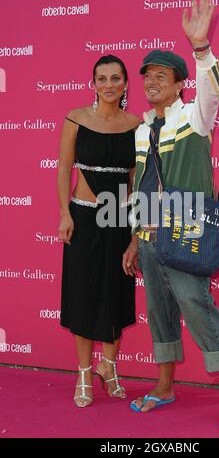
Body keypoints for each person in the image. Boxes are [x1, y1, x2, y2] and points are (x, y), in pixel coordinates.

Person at [122, 0, 219, 432]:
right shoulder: (141, 130)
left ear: (179, 85)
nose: (153, 81)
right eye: (148, 76)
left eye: (162, 76)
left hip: (188, 229)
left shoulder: (194, 117)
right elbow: (141, 186)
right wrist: (136, 237)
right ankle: (165, 384)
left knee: (195, 302)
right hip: (153, 234)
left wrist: (200, 48)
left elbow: (213, 87)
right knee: (159, 309)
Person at [57, 54, 140, 407]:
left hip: (118, 220)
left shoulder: (136, 124)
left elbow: (137, 183)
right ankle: (83, 373)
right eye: (101, 79)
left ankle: (109, 367)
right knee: (83, 296)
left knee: (116, 294)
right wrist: (65, 213)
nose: (108, 85)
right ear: (93, 84)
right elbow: (63, 170)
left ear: (125, 84)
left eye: (115, 78)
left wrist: (136, 234)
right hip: (84, 217)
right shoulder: (76, 118)